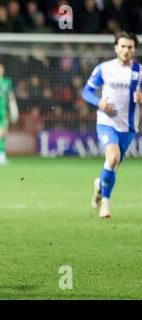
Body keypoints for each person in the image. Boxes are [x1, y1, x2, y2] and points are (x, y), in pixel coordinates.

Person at [82, 31, 142, 219]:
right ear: (116, 47)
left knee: (112, 165)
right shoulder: (104, 68)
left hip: (130, 126)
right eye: (122, 46)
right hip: (107, 122)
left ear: (135, 49)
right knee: (113, 157)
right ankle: (105, 205)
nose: (126, 50)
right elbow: (87, 91)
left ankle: (99, 185)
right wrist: (99, 102)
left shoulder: (139, 72)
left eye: (130, 47)